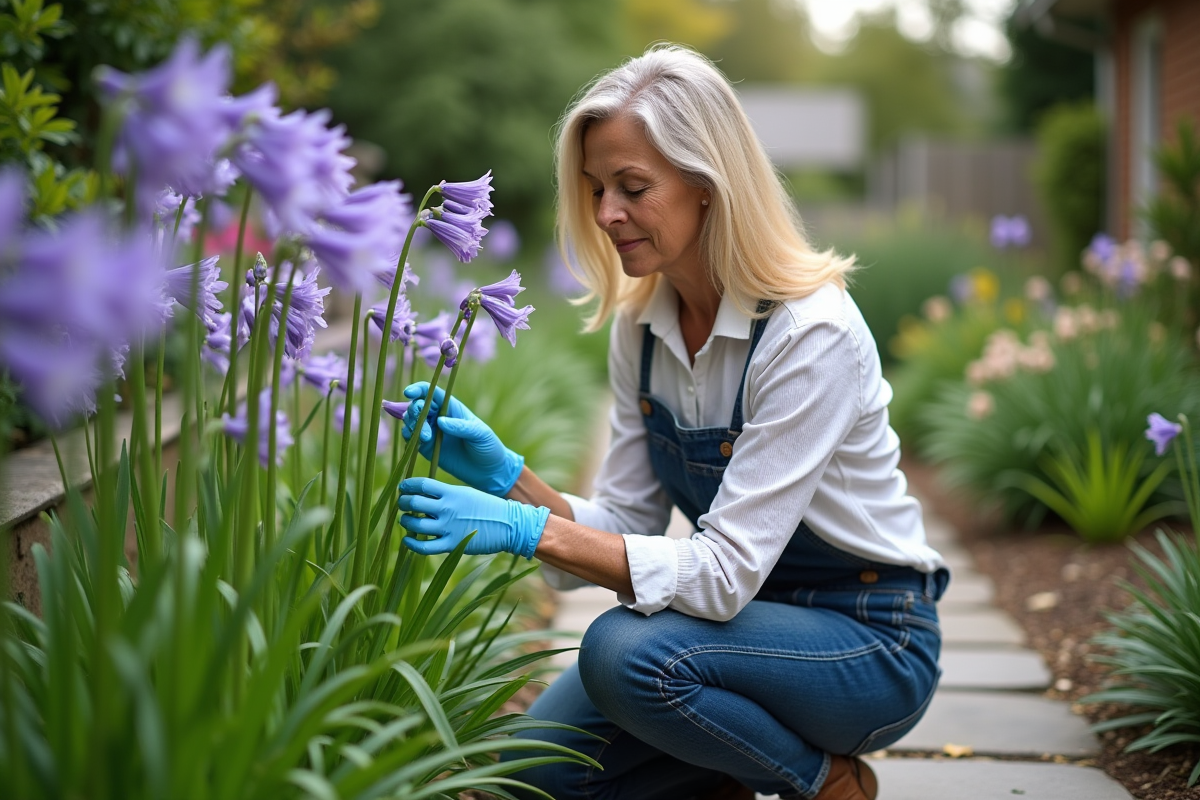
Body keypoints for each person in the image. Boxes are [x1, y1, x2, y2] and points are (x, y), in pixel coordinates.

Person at [397, 44, 948, 800]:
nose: (605, 213)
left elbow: (719, 579)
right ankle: (719, 773)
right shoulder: (644, 325)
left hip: (865, 641)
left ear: (708, 186)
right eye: (596, 188)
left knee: (625, 654)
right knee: (533, 775)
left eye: (632, 187)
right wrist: (511, 481)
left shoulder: (807, 333)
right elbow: (625, 521)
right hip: (732, 639)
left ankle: (825, 784)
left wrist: (531, 531)